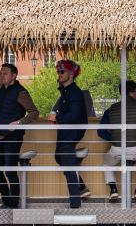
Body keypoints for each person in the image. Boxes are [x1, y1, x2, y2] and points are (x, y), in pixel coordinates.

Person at [0, 63, 39, 209]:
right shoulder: (1, 91)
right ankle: (6, 201)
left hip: (13, 138)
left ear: (14, 76)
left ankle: (13, 204)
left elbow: (34, 113)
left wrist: (19, 122)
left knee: (10, 172)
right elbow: (5, 110)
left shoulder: (21, 92)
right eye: (0, 73)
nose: (1, 76)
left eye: (5, 73)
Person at [98, 80, 136, 202]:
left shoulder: (111, 109)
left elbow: (100, 132)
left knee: (107, 164)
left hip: (117, 148)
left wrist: (113, 139)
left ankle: (113, 189)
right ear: (132, 93)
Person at [47, 59, 88, 209]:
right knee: (59, 158)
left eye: (62, 71)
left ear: (71, 74)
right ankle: (82, 185)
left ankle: (75, 206)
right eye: (58, 71)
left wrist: (56, 117)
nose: (58, 74)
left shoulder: (74, 93)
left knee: (69, 170)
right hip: (65, 133)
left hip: (70, 134)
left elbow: (74, 116)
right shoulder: (66, 91)